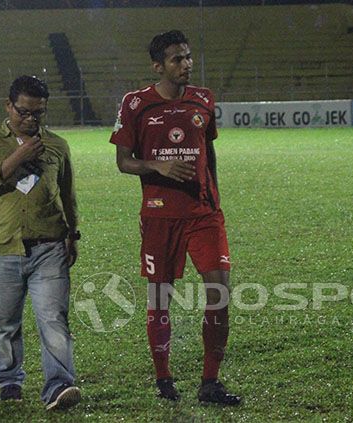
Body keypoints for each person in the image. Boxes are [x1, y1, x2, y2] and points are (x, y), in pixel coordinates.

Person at [109, 30, 240, 406]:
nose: (186, 64)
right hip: (160, 218)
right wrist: (157, 167)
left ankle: (210, 382)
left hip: (203, 215)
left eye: (187, 57)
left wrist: (213, 198)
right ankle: (164, 377)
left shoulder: (203, 100)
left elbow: (208, 154)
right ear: (158, 66)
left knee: (220, 295)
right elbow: (123, 162)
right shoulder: (136, 104)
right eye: (176, 60)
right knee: (159, 298)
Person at [0, 75, 81, 411]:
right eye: (24, 112)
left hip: (49, 247)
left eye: (38, 114)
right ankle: (9, 381)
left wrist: (73, 234)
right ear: (8, 106)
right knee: (4, 323)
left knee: (53, 320)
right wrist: (17, 157)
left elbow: (68, 194)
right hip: (3, 247)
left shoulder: (58, 146)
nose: (30, 119)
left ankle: (59, 385)